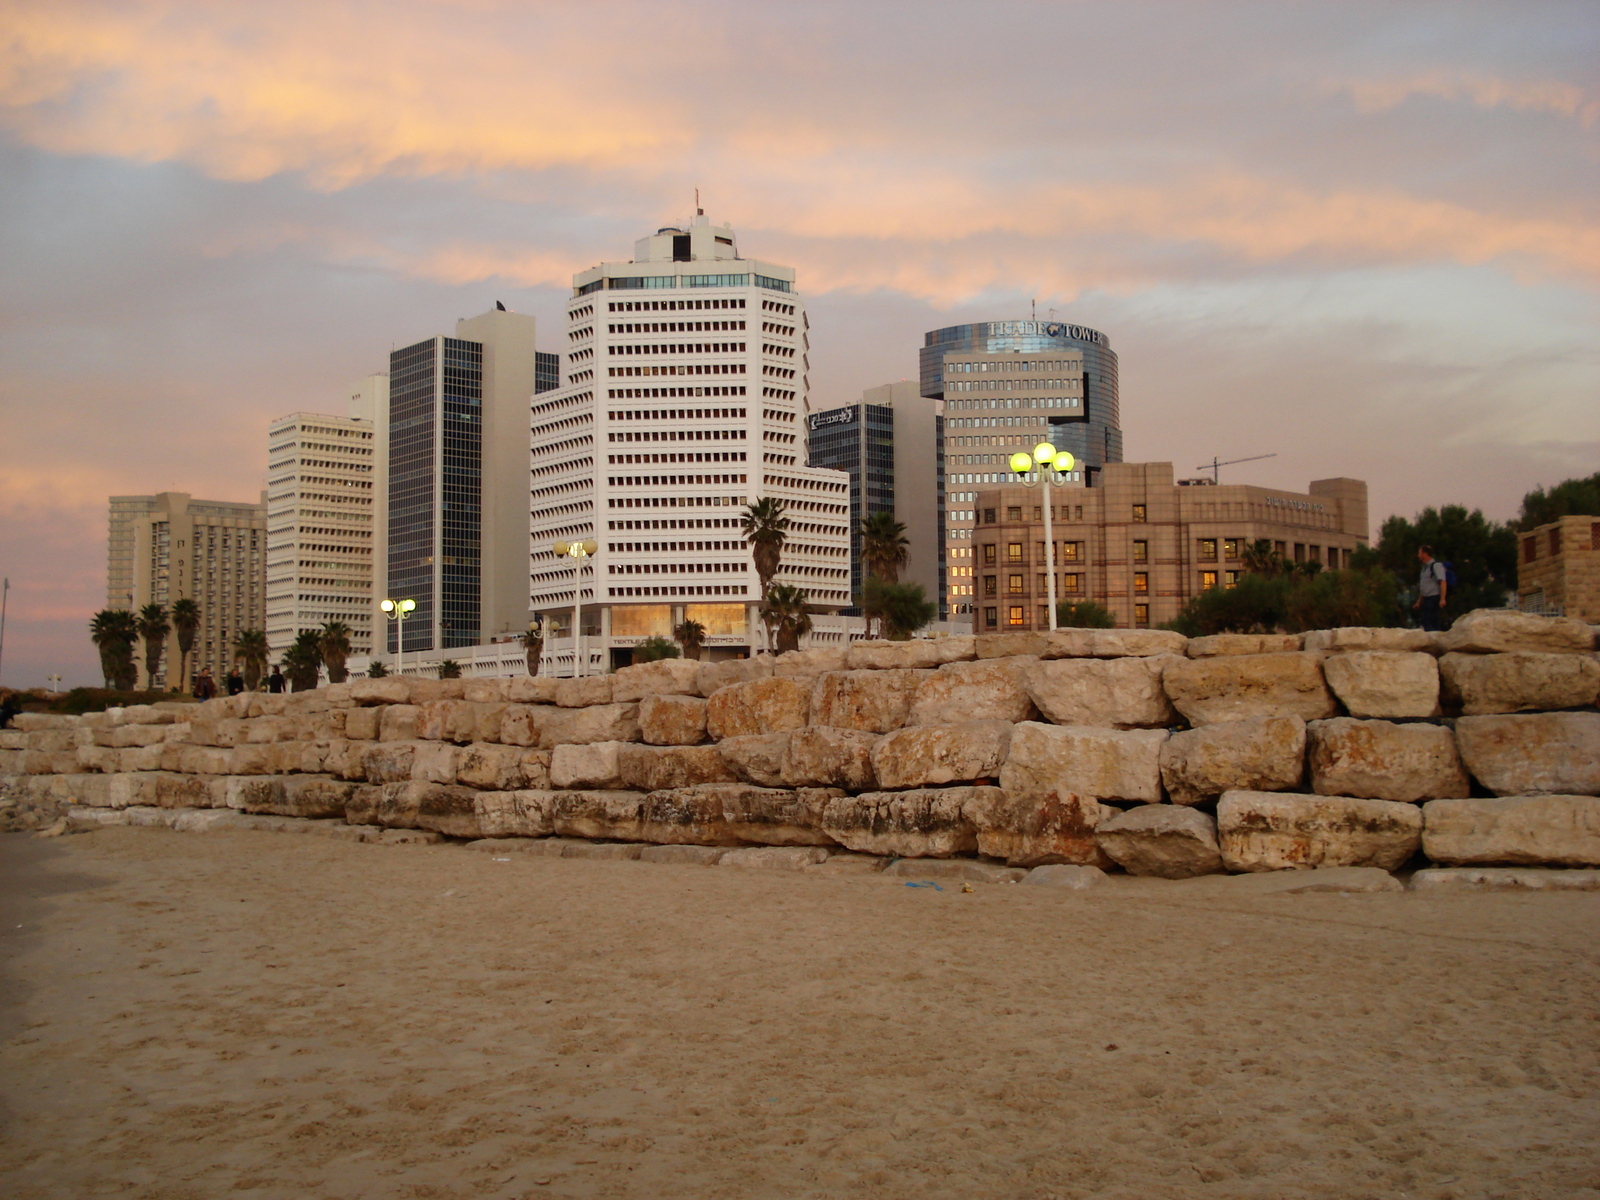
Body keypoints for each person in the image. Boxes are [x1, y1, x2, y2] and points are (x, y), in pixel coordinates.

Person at [1414, 544, 1449, 632]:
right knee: (1426, 621)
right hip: (1426, 598)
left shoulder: (1436, 566)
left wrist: (1442, 599)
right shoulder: (1424, 568)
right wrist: (1419, 601)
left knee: (1429, 620)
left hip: (1434, 597)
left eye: (1419, 553)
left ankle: (1434, 641)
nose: (1418, 556)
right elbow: (1424, 586)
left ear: (1425, 554)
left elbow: (1442, 582)